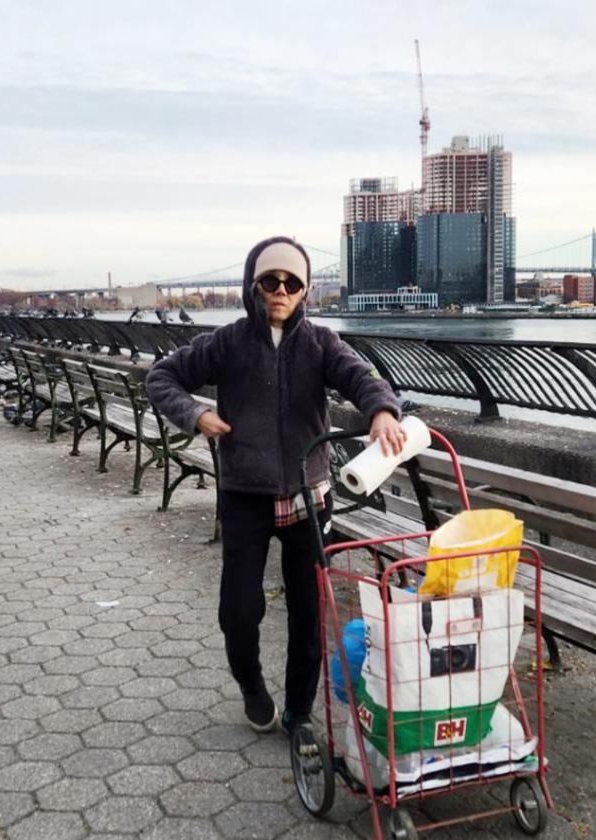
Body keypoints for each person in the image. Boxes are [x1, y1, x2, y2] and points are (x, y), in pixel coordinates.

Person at [146, 236, 405, 734]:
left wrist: (382, 411)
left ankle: (299, 709)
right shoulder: (227, 342)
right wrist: (196, 413)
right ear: (254, 286)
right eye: (270, 281)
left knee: (308, 611)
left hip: (310, 497)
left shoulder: (322, 343)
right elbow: (162, 378)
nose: (281, 291)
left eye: (292, 282)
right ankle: (251, 685)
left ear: (304, 289)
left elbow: (362, 377)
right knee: (239, 610)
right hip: (245, 495)